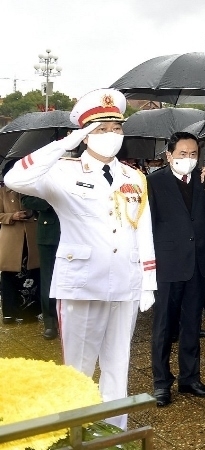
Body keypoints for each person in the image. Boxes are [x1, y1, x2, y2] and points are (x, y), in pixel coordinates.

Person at [4, 88, 156, 430]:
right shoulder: (62, 171)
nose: (112, 136)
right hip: (82, 282)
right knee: (78, 367)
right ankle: (76, 431)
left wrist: (148, 281)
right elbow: (14, 177)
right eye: (101, 129)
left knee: (119, 364)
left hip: (126, 282)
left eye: (116, 129)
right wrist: (64, 144)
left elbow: (142, 230)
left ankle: (115, 431)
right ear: (84, 134)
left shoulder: (134, 177)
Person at [147, 131, 205, 407]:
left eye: (193, 155)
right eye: (182, 154)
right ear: (169, 155)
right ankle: (161, 382)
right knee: (163, 326)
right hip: (167, 264)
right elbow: (148, 226)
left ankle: (190, 378)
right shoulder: (153, 182)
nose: (188, 159)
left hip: (197, 265)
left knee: (192, 325)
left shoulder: (204, 180)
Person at [0, 159, 41, 325]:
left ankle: (30, 313)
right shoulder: (2, 192)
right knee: (9, 276)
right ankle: (10, 313)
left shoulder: (33, 190)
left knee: (33, 275)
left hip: (32, 239)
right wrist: (11, 216)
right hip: (11, 241)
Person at [20, 194, 59, 339]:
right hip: (49, 233)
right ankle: (50, 322)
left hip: (77, 234)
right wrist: (50, 201)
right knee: (48, 280)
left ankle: (71, 320)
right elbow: (25, 198)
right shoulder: (41, 172)